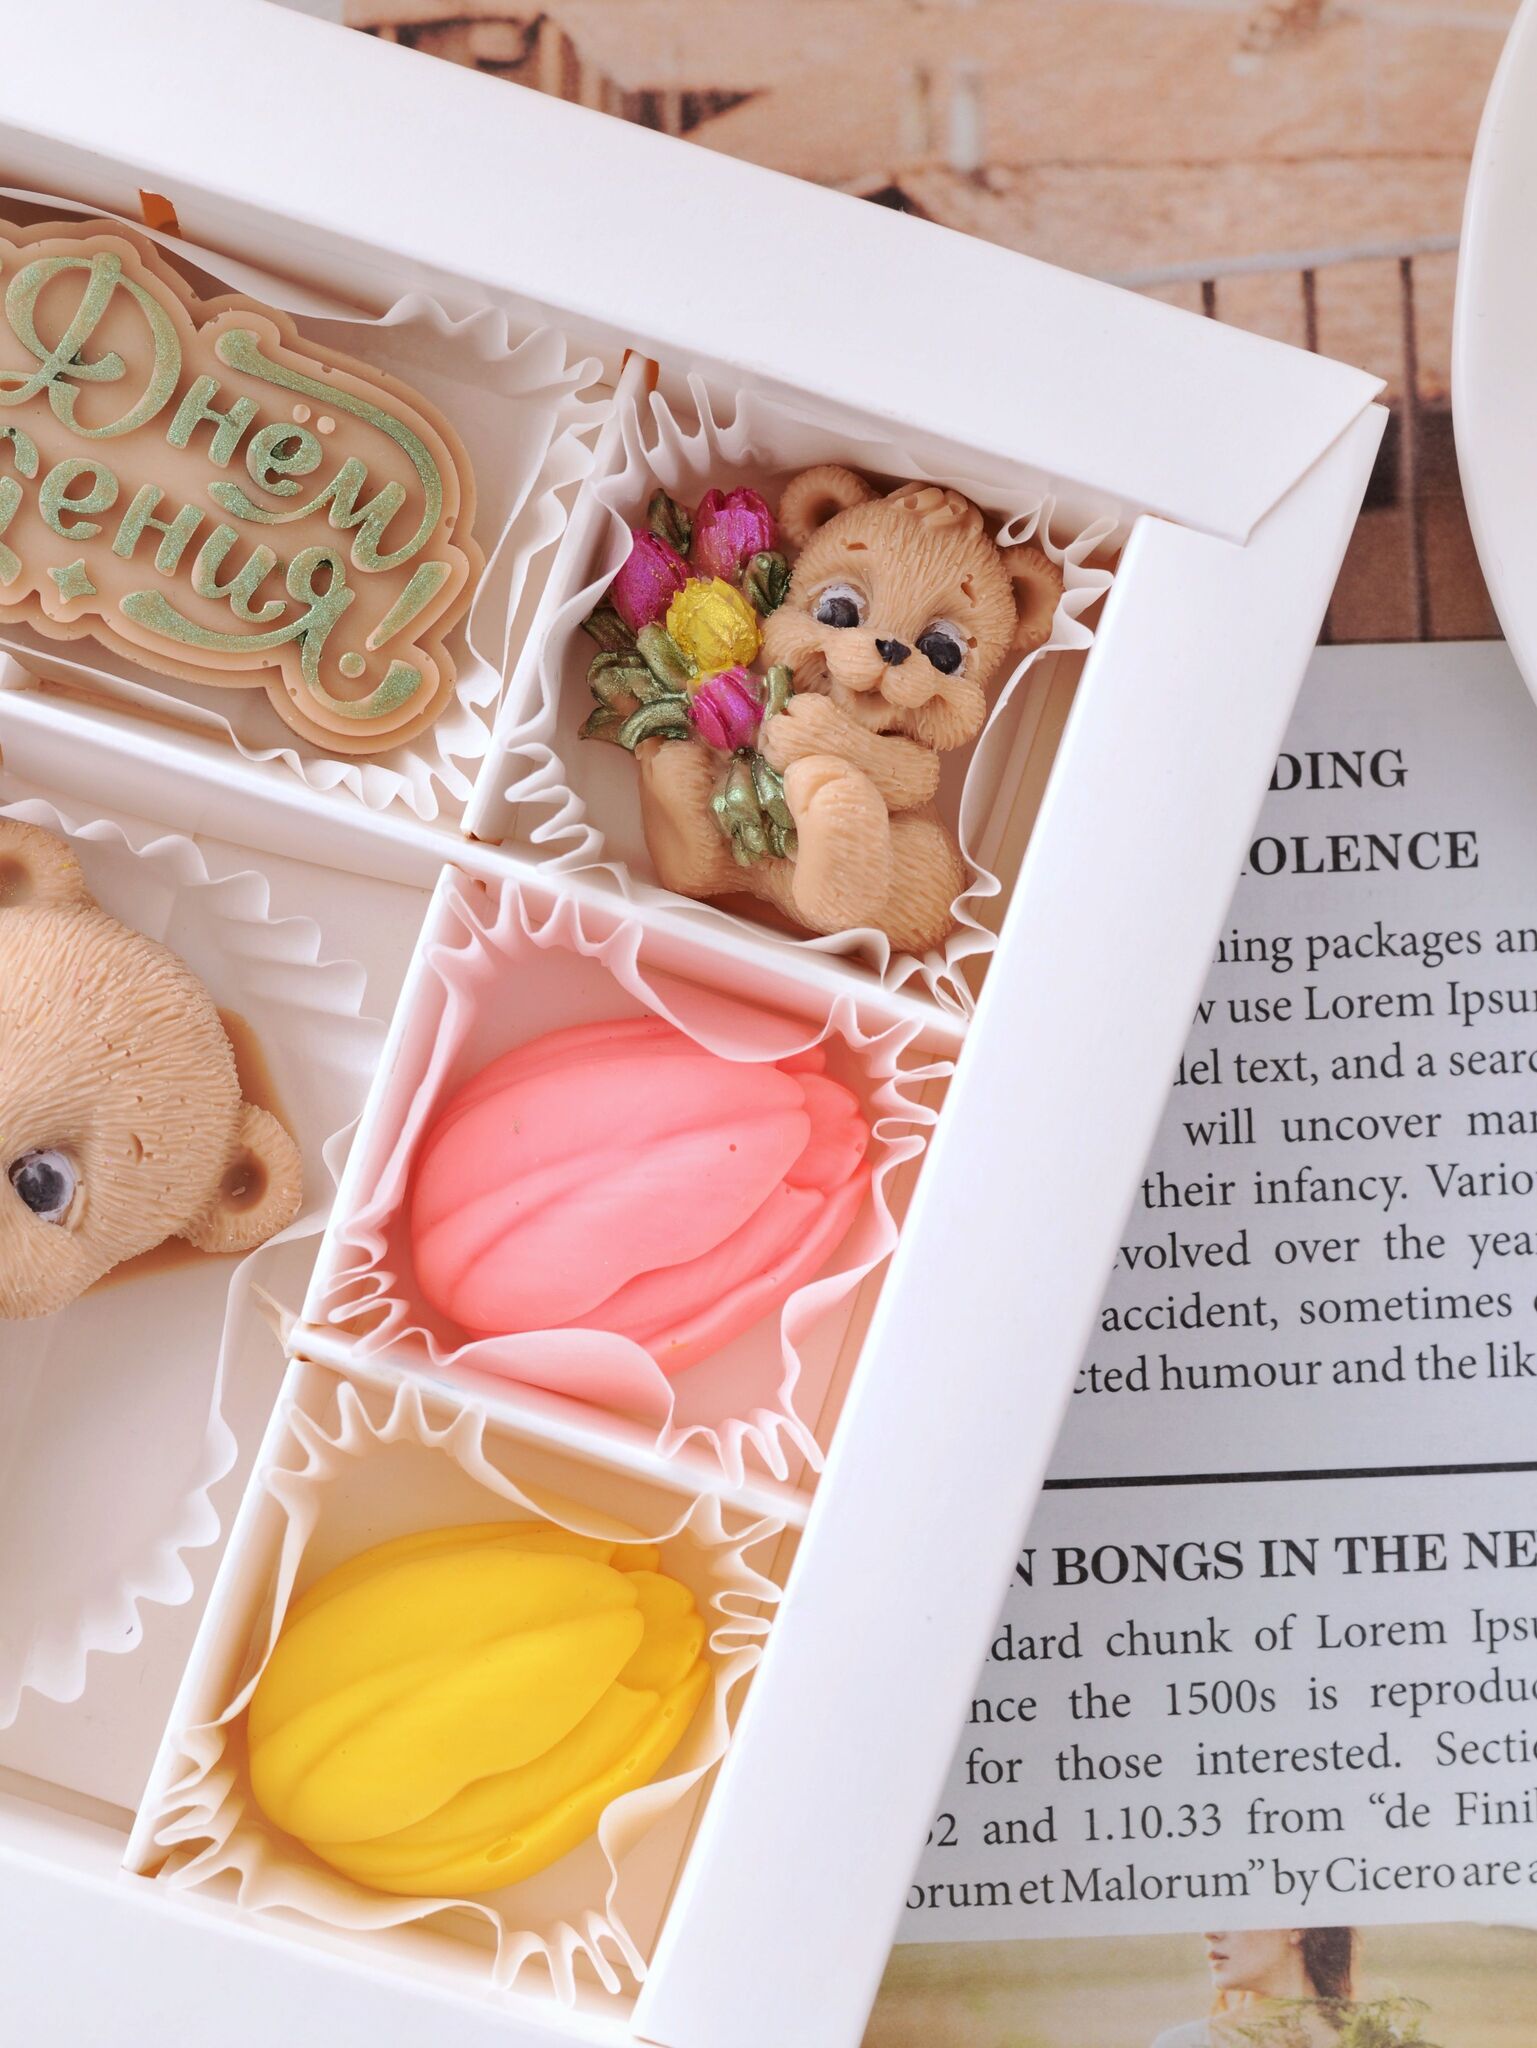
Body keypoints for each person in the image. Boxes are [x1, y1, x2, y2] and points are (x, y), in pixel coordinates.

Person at [1150, 1928, 1356, 2046]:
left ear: (1296, 1928)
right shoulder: (1183, 2044)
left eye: (1234, 1914)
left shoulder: (1367, 2038)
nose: (1210, 1933)